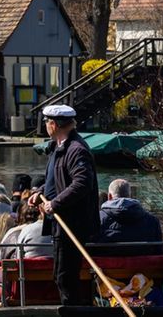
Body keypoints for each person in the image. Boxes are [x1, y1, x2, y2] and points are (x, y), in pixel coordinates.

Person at [29, 104, 98, 306]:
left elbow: (82, 183)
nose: (45, 126)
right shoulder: (59, 148)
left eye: (46, 123)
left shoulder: (76, 150)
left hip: (72, 223)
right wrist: (41, 192)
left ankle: (73, 310)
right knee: (61, 274)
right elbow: (57, 180)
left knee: (65, 276)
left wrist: (55, 203)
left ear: (53, 124)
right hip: (61, 222)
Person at [95, 178, 163, 256]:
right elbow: (159, 252)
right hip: (144, 267)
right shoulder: (152, 220)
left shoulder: (97, 218)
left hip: (105, 267)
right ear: (130, 196)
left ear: (109, 196)